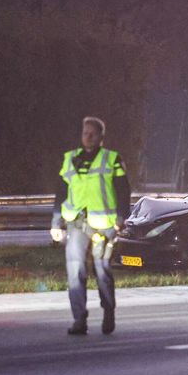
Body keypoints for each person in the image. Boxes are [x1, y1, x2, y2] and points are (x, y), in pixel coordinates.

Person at [51, 116, 130, 335]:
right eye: (85, 132)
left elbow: (124, 190)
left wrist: (121, 219)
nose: (88, 136)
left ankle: (108, 311)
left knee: (102, 270)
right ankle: (79, 319)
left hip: (104, 225)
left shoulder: (112, 159)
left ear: (101, 137)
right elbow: (61, 192)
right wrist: (56, 222)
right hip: (77, 223)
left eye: (92, 133)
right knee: (75, 270)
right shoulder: (70, 159)